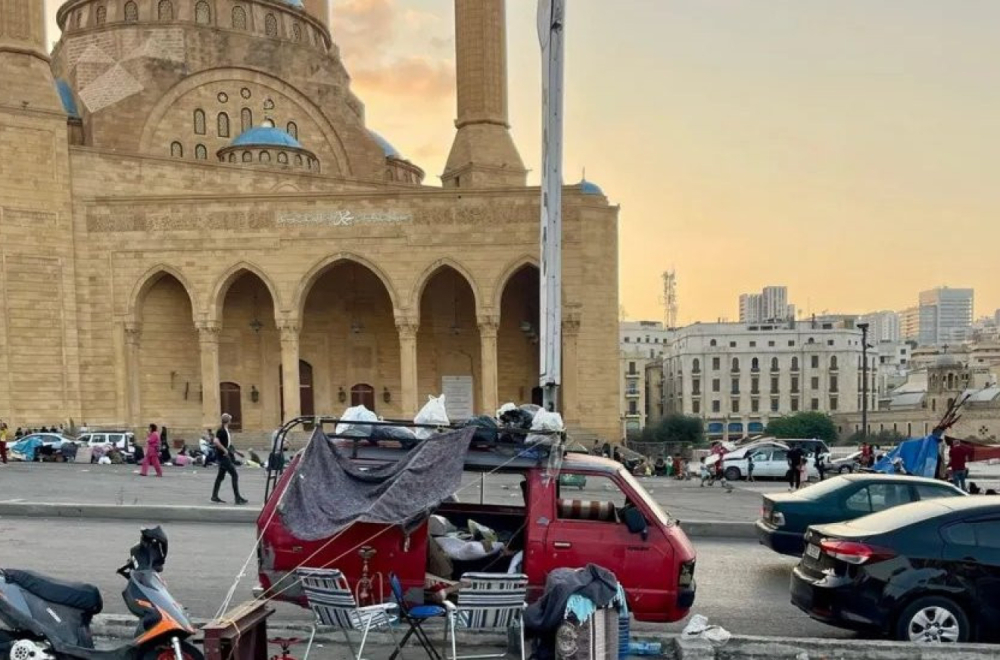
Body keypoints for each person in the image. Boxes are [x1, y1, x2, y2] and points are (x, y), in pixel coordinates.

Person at [213, 413, 248, 504]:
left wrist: (236, 452)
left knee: (220, 477)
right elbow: (216, 441)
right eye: (230, 419)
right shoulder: (221, 430)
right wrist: (224, 450)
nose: (231, 421)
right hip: (223, 457)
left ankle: (214, 496)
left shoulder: (225, 430)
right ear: (228, 421)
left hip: (224, 456)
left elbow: (227, 444)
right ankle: (237, 498)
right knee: (234, 475)